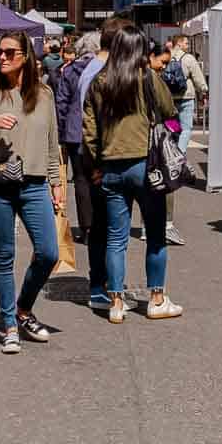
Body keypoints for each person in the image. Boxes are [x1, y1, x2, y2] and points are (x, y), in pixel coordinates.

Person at [0, 32, 64, 352]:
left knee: (49, 252)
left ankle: (23, 308)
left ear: (26, 56)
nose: (2, 57)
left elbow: (52, 144)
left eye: (10, 52)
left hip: (34, 184)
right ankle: (9, 324)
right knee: (4, 255)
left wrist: (57, 182)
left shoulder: (44, 95)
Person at [83, 27, 181, 323]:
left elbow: (89, 131)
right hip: (147, 165)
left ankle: (115, 301)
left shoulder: (100, 82)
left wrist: (96, 165)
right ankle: (156, 299)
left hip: (111, 167)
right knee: (155, 234)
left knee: (116, 238)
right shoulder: (148, 78)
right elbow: (169, 110)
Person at [77, 22, 116, 309]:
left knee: (104, 226)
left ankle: (102, 284)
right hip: (100, 158)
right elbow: (91, 122)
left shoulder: (92, 70)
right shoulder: (98, 73)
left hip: (95, 155)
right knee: (106, 226)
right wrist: (97, 162)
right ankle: (102, 286)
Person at [149, 38, 187, 246]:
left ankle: (151, 226)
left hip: (141, 141)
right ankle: (166, 226)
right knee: (165, 181)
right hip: (157, 139)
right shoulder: (153, 79)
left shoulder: (126, 76)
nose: (164, 67)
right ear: (150, 57)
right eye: (162, 62)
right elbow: (169, 109)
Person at [55, 39, 91, 239]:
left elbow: (61, 104)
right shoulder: (106, 70)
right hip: (101, 134)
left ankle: (87, 227)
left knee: (81, 179)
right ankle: (102, 225)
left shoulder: (69, 72)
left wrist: (61, 134)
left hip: (75, 132)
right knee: (100, 178)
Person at [169, 33, 208, 162]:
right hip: (186, 96)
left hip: (170, 99)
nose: (187, 45)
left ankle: (172, 153)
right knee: (186, 128)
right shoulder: (188, 58)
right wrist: (204, 91)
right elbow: (198, 78)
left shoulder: (167, 56)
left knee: (173, 128)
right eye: (186, 43)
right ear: (179, 44)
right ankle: (179, 156)